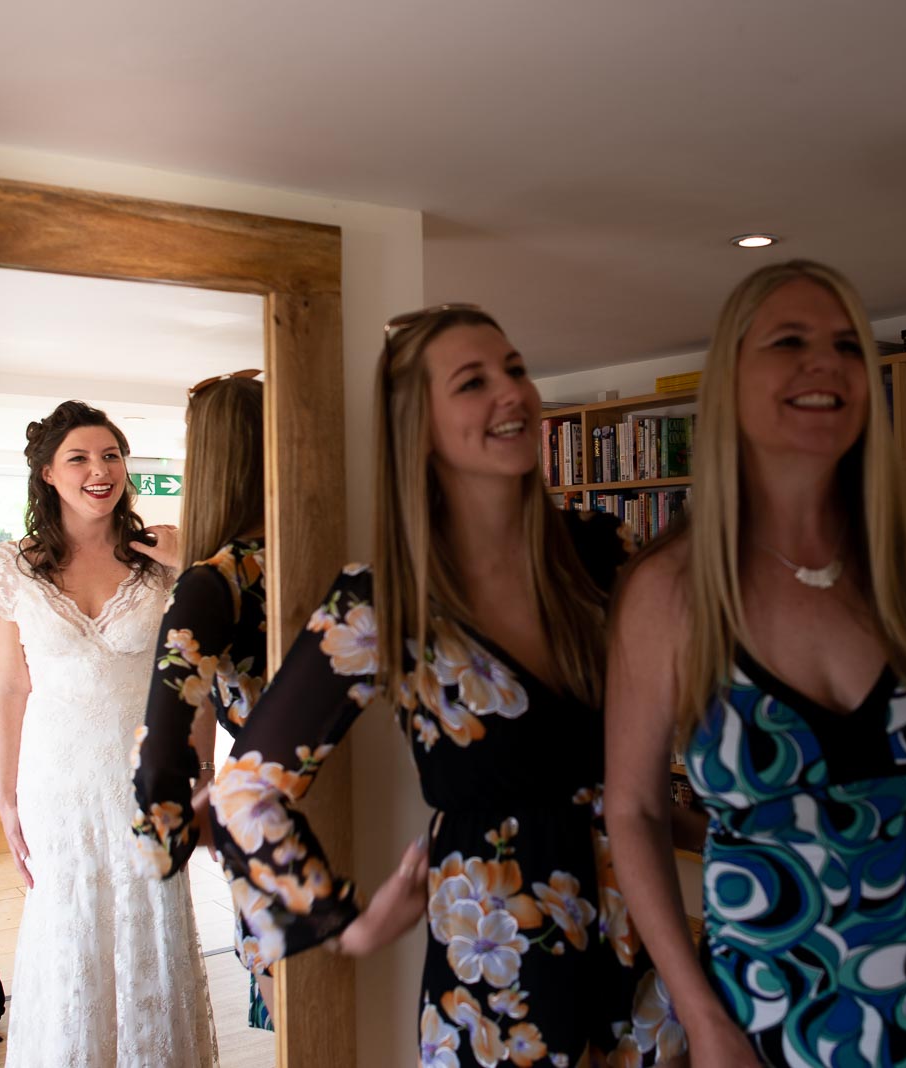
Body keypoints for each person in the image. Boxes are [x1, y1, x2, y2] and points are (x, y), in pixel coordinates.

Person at [210, 304, 686, 1066]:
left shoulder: (605, 551)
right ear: (420, 430)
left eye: (517, 370)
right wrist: (348, 925)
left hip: (640, 946)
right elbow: (243, 794)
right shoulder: (385, 600)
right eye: (473, 382)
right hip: (496, 970)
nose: (513, 394)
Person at [605, 259, 906, 1067]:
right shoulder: (671, 591)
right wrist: (703, 1020)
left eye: (850, 346)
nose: (828, 363)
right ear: (731, 380)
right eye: (791, 341)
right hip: (766, 1025)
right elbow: (636, 811)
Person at [0, 399, 217, 1066]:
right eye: (80, 458)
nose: (100, 470)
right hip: (56, 780)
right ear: (48, 476)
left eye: (111, 454)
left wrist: (201, 775)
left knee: (151, 927)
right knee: (71, 933)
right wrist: (5, 798)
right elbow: (10, 686)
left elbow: (197, 670)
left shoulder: (164, 554)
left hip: (148, 774)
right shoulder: (12, 567)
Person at [128, 369, 277, 1031]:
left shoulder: (211, 585)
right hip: (373, 806)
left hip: (271, 816)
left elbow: (163, 741)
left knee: (307, 1024)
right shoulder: (326, 557)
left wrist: (169, 837)